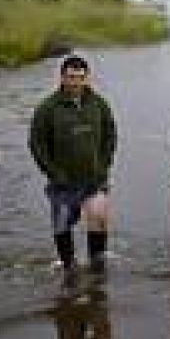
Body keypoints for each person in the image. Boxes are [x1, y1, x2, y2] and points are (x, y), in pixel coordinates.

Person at [29, 55, 116, 275]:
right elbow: (36, 144)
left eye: (80, 77)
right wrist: (53, 172)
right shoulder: (47, 108)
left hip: (95, 178)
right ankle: (68, 267)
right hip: (63, 182)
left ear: (87, 78)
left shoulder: (99, 103)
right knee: (62, 224)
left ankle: (97, 265)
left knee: (98, 217)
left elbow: (110, 134)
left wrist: (104, 165)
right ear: (62, 78)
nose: (75, 82)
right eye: (70, 77)